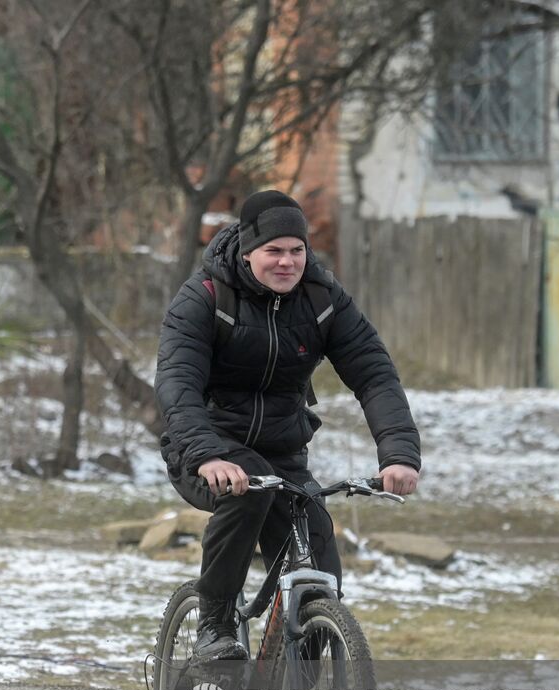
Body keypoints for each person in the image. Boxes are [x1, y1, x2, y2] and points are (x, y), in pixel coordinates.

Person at [155, 190, 421, 660]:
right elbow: (177, 383)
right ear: (247, 251)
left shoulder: (322, 298)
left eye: (296, 250)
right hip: (204, 449)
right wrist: (207, 455)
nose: (287, 262)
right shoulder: (205, 297)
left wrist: (398, 452)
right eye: (273, 251)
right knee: (246, 493)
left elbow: (374, 373)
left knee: (322, 576)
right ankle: (214, 625)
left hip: (284, 455)